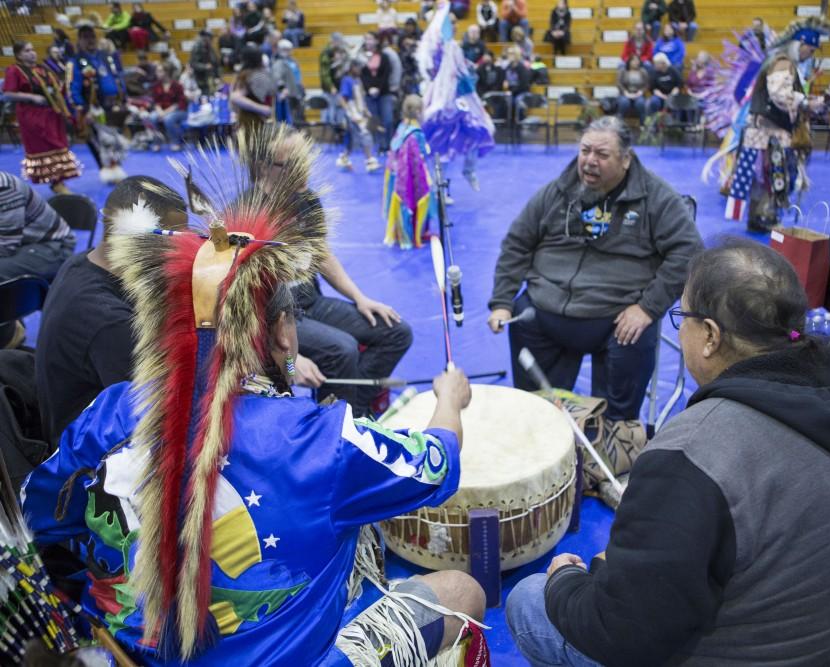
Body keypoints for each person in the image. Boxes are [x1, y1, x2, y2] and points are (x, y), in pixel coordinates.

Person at [21, 127, 486, 665]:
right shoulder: (326, 440)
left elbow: (43, 514)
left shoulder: (111, 409)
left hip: (125, 653)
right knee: (461, 592)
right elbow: (435, 467)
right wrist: (449, 400)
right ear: (285, 333)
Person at [505, 239, 830, 667]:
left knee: (529, 598)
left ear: (709, 336)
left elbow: (620, 632)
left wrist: (564, 579)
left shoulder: (693, 452)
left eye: (683, 317)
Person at [488, 116, 703, 422]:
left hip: (614, 317)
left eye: (602, 155)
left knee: (632, 351)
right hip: (546, 308)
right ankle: (538, 422)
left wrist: (647, 307)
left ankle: (615, 433)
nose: (589, 161)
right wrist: (501, 302)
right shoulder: (559, 191)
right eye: (584, 151)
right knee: (533, 402)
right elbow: (517, 242)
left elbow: (689, 251)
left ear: (626, 159)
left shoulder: (657, 197)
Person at [258, 130, 412, 413]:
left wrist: (360, 297)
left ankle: (357, 411)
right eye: (292, 164)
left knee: (396, 332)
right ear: (266, 167)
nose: (303, 170)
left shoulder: (306, 200)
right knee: (342, 349)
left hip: (310, 305)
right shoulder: (248, 215)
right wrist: (290, 359)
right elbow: (244, 311)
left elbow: (321, 254)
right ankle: (336, 426)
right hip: (276, 322)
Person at [34, 177, 186, 446]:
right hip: (86, 455)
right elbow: (161, 413)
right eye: (173, 244)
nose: (180, 254)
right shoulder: (109, 323)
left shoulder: (82, 262)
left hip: (77, 419)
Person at [418, 1, 496, 191]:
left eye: (454, 22)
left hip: (460, 102)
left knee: (480, 129)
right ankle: (442, 189)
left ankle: (469, 170)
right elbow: (432, 72)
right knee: (441, 147)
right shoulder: (435, 50)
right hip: (441, 106)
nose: (453, 25)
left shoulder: (454, 48)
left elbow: (463, 74)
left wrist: (469, 77)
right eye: (450, 22)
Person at [725, 55, 808, 231]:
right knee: (764, 179)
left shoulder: (780, 90)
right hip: (762, 142)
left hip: (773, 141)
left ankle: (764, 215)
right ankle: (760, 216)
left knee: (773, 179)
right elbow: (778, 98)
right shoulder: (771, 89)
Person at [0, 171, 74, 348]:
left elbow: (5, 245)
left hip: (52, 246)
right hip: (23, 243)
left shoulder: (4, 187)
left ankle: (10, 333)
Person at [3, 41, 81, 194]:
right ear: (18, 55)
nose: (32, 53)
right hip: (32, 114)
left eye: (32, 50)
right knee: (48, 146)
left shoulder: (42, 68)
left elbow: (55, 88)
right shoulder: (14, 70)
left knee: (59, 145)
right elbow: (7, 94)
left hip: (51, 113)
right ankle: (56, 182)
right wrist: (31, 97)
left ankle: (59, 181)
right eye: (27, 51)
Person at [69, 25, 129, 183]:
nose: (90, 40)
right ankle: (107, 170)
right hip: (93, 108)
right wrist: (81, 107)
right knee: (101, 141)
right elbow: (73, 86)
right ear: (79, 40)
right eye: (86, 37)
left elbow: (117, 76)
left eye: (92, 36)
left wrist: (123, 96)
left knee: (115, 139)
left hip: (113, 105)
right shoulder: (76, 61)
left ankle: (116, 168)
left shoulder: (105, 56)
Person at [383, 95, 438, 250]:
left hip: (396, 174)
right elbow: (417, 159)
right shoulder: (415, 133)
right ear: (419, 111)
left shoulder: (402, 127)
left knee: (404, 202)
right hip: (409, 174)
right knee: (415, 200)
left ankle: (402, 233)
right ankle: (413, 234)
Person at [336, 58, 380, 173]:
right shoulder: (347, 80)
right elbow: (342, 98)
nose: (360, 69)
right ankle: (370, 160)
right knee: (365, 134)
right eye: (358, 67)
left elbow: (361, 98)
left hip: (360, 112)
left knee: (351, 139)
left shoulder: (358, 80)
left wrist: (365, 110)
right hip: (353, 113)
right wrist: (350, 113)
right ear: (352, 68)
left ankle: (344, 158)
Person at [360, 31, 394, 153]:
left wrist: (378, 88)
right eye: (366, 39)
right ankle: (380, 146)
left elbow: (386, 74)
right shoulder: (362, 57)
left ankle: (390, 145)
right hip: (369, 94)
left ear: (376, 41)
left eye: (370, 39)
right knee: (375, 122)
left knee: (388, 119)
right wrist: (369, 88)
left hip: (384, 92)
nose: (368, 41)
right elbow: (362, 76)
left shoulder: (383, 56)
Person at [231, 44, 275, 131]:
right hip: (253, 123)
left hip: (250, 122)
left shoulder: (246, 74)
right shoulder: (252, 75)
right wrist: (261, 109)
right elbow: (235, 97)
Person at [149, 62, 187, 150]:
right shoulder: (156, 86)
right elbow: (155, 102)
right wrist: (159, 112)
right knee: (152, 117)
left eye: (159, 71)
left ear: (166, 72)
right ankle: (157, 142)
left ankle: (176, 142)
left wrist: (165, 113)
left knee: (168, 118)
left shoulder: (177, 85)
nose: (157, 73)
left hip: (179, 111)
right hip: (161, 110)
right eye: (157, 71)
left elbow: (180, 103)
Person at [319, 32, 350, 127]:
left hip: (340, 87)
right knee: (328, 114)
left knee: (340, 113)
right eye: (339, 42)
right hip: (330, 89)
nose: (341, 44)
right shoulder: (326, 53)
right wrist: (331, 86)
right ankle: (327, 135)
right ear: (334, 41)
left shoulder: (343, 51)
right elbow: (324, 73)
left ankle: (339, 134)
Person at [272, 38, 305, 124]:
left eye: (289, 50)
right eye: (286, 49)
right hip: (286, 94)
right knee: (287, 120)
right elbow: (277, 78)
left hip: (296, 92)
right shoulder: (278, 62)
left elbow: (298, 75)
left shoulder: (294, 61)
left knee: (298, 117)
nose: (289, 52)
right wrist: (283, 89)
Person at [646, 52, 683, 117]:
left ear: (663, 63)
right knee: (654, 101)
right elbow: (653, 88)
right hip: (660, 95)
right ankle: (652, 120)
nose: (654, 65)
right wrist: (662, 96)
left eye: (656, 63)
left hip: (672, 94)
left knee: (677, 101)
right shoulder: (653, 72)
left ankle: (675, 122)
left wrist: (671, 95)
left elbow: (679, 84)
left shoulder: (673, 70)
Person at [616, 54, 649, 124]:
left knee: (641, 103)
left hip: (638, 93)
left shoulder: (643, 71)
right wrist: (625, 92)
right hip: (625, 93)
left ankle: (642, 125)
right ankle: (619, 124)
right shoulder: (623, 71)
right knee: (624, 103)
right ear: (629, 62)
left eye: (638, 61)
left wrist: (641, 92)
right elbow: (619, 83)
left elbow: (646, 85)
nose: (636, 62)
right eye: (634, 60)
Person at [189, 28, 220, 95]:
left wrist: (217, 76)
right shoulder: (197, 47)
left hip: (210, 77)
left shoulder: (209, 47)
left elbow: (215, 62)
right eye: (210, 37)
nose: (211, 39)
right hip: (200, 79)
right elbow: (193, 63)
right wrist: (205, 67)